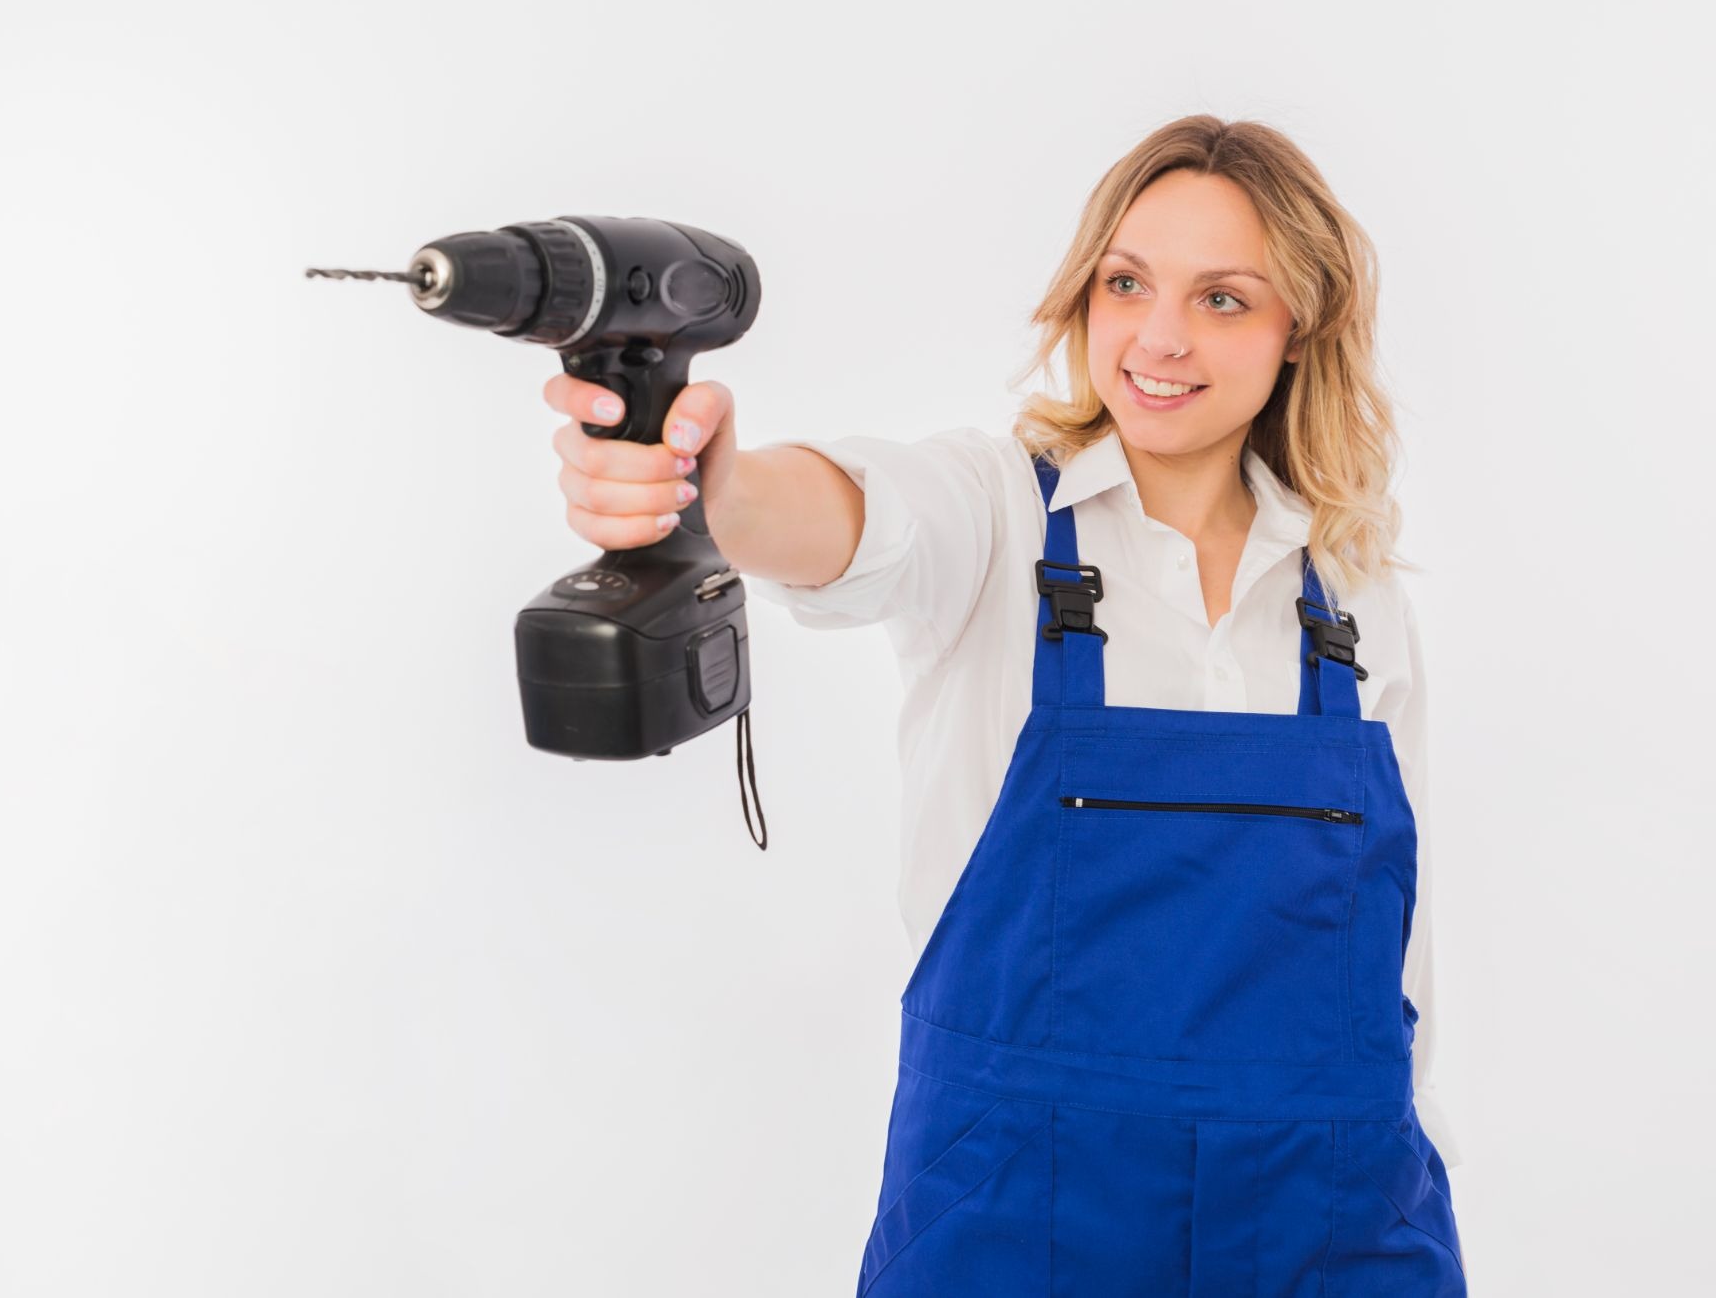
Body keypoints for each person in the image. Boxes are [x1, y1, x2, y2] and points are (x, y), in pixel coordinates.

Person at [543, 114, 1465, 1294]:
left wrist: (1410, 1163)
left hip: (1331, 1213)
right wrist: (708, 486)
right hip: (1017, 1217)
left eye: (1223, 298)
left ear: (1300, 329)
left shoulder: (1351, 597)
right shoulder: (994, 517)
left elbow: (1405, 968)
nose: (1159, 338)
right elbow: (850, 513)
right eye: (1125, 283)